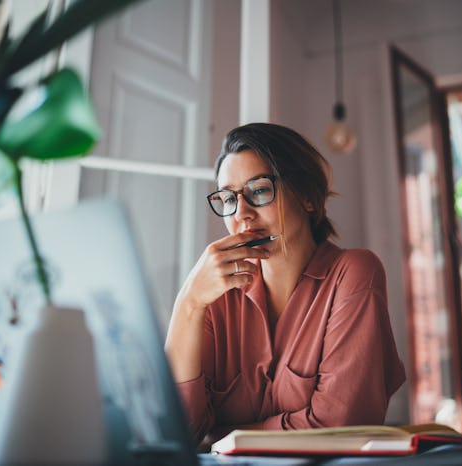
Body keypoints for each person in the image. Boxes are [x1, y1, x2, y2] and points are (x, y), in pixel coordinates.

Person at [165, 123, 405, 446]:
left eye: (259, 190)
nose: (242, 215)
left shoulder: (354, 274)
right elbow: (176, 433)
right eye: (228, 199)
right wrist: (188, 303)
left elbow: (339, 427)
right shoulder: (214, 297)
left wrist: (223, 436)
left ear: (306, 196)